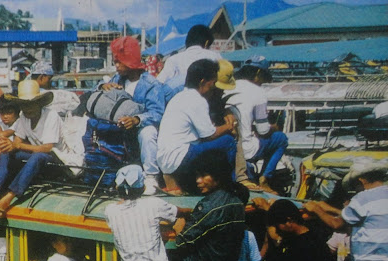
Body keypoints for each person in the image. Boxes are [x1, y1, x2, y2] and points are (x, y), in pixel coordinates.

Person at [0, 80, 66, 219]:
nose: (28, 108)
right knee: (7, 152)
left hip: (55, 160)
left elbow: (47, 148)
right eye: (25, 104)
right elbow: (17, 141)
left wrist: (17, 145)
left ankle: (8, 198)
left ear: (39, 103)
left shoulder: (51, 116)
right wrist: (10, 146)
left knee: (37, 157)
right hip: (35, 156)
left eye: (31, 103)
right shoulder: (24, 117)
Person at [157, 59, 237, 195]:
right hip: (181, 156)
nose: (214, 86)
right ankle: (228, 187)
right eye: (213, 82)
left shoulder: (179, 97)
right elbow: (210, 134)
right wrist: (229, 126)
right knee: (228, 142)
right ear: (203, 82)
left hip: (166, 159)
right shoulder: (197, 100)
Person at [101, 36, 166, 195]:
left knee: (148, 133)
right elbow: (98, 91)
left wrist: (137, 120)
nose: (116, 66)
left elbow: (157, 113)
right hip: (118, 129)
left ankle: (151, 177)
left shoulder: (152, 84)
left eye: (119, 62)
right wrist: (104, 86)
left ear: (130, 61)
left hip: (138, 129)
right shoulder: (117, 79)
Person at [226, 55, 288, 193]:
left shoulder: (228, 86)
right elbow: (264, 131)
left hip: (231, 142)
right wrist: (274, 127)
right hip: (246, 149)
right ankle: (265, 178)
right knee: (281, 139)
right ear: (259, 73)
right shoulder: (258, 92)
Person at [157, 24, 222, 95]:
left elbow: (159, 83)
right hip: (210, 102)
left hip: (180, 101)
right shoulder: (215, 56)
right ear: (206, 43)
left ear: (187, 41)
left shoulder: (173, 59)